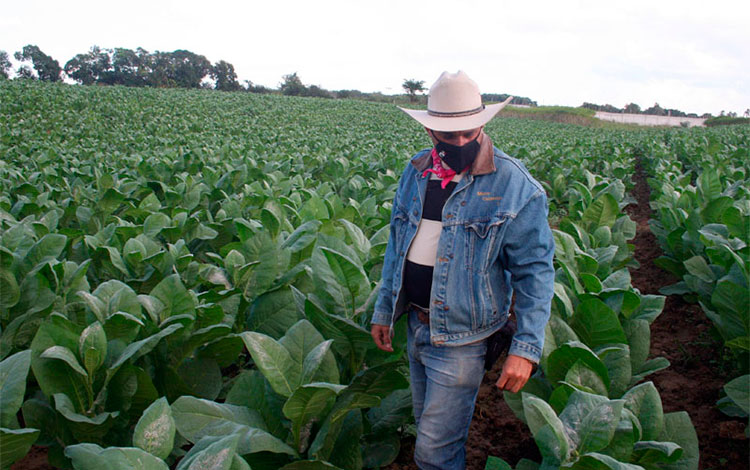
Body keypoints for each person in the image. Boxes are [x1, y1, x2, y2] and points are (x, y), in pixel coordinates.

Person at [370, 71, 555, 470]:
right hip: (417, 326)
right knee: (429, 431)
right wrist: (385, 310)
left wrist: (525, 348)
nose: (460, 143)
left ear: (483, 124)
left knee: (433, 451)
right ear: (430, 130)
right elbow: (397, 245)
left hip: (463, 338)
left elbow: (535, 272)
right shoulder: (417, 172)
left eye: (468, 133)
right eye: (448, 136)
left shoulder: (514, 185)